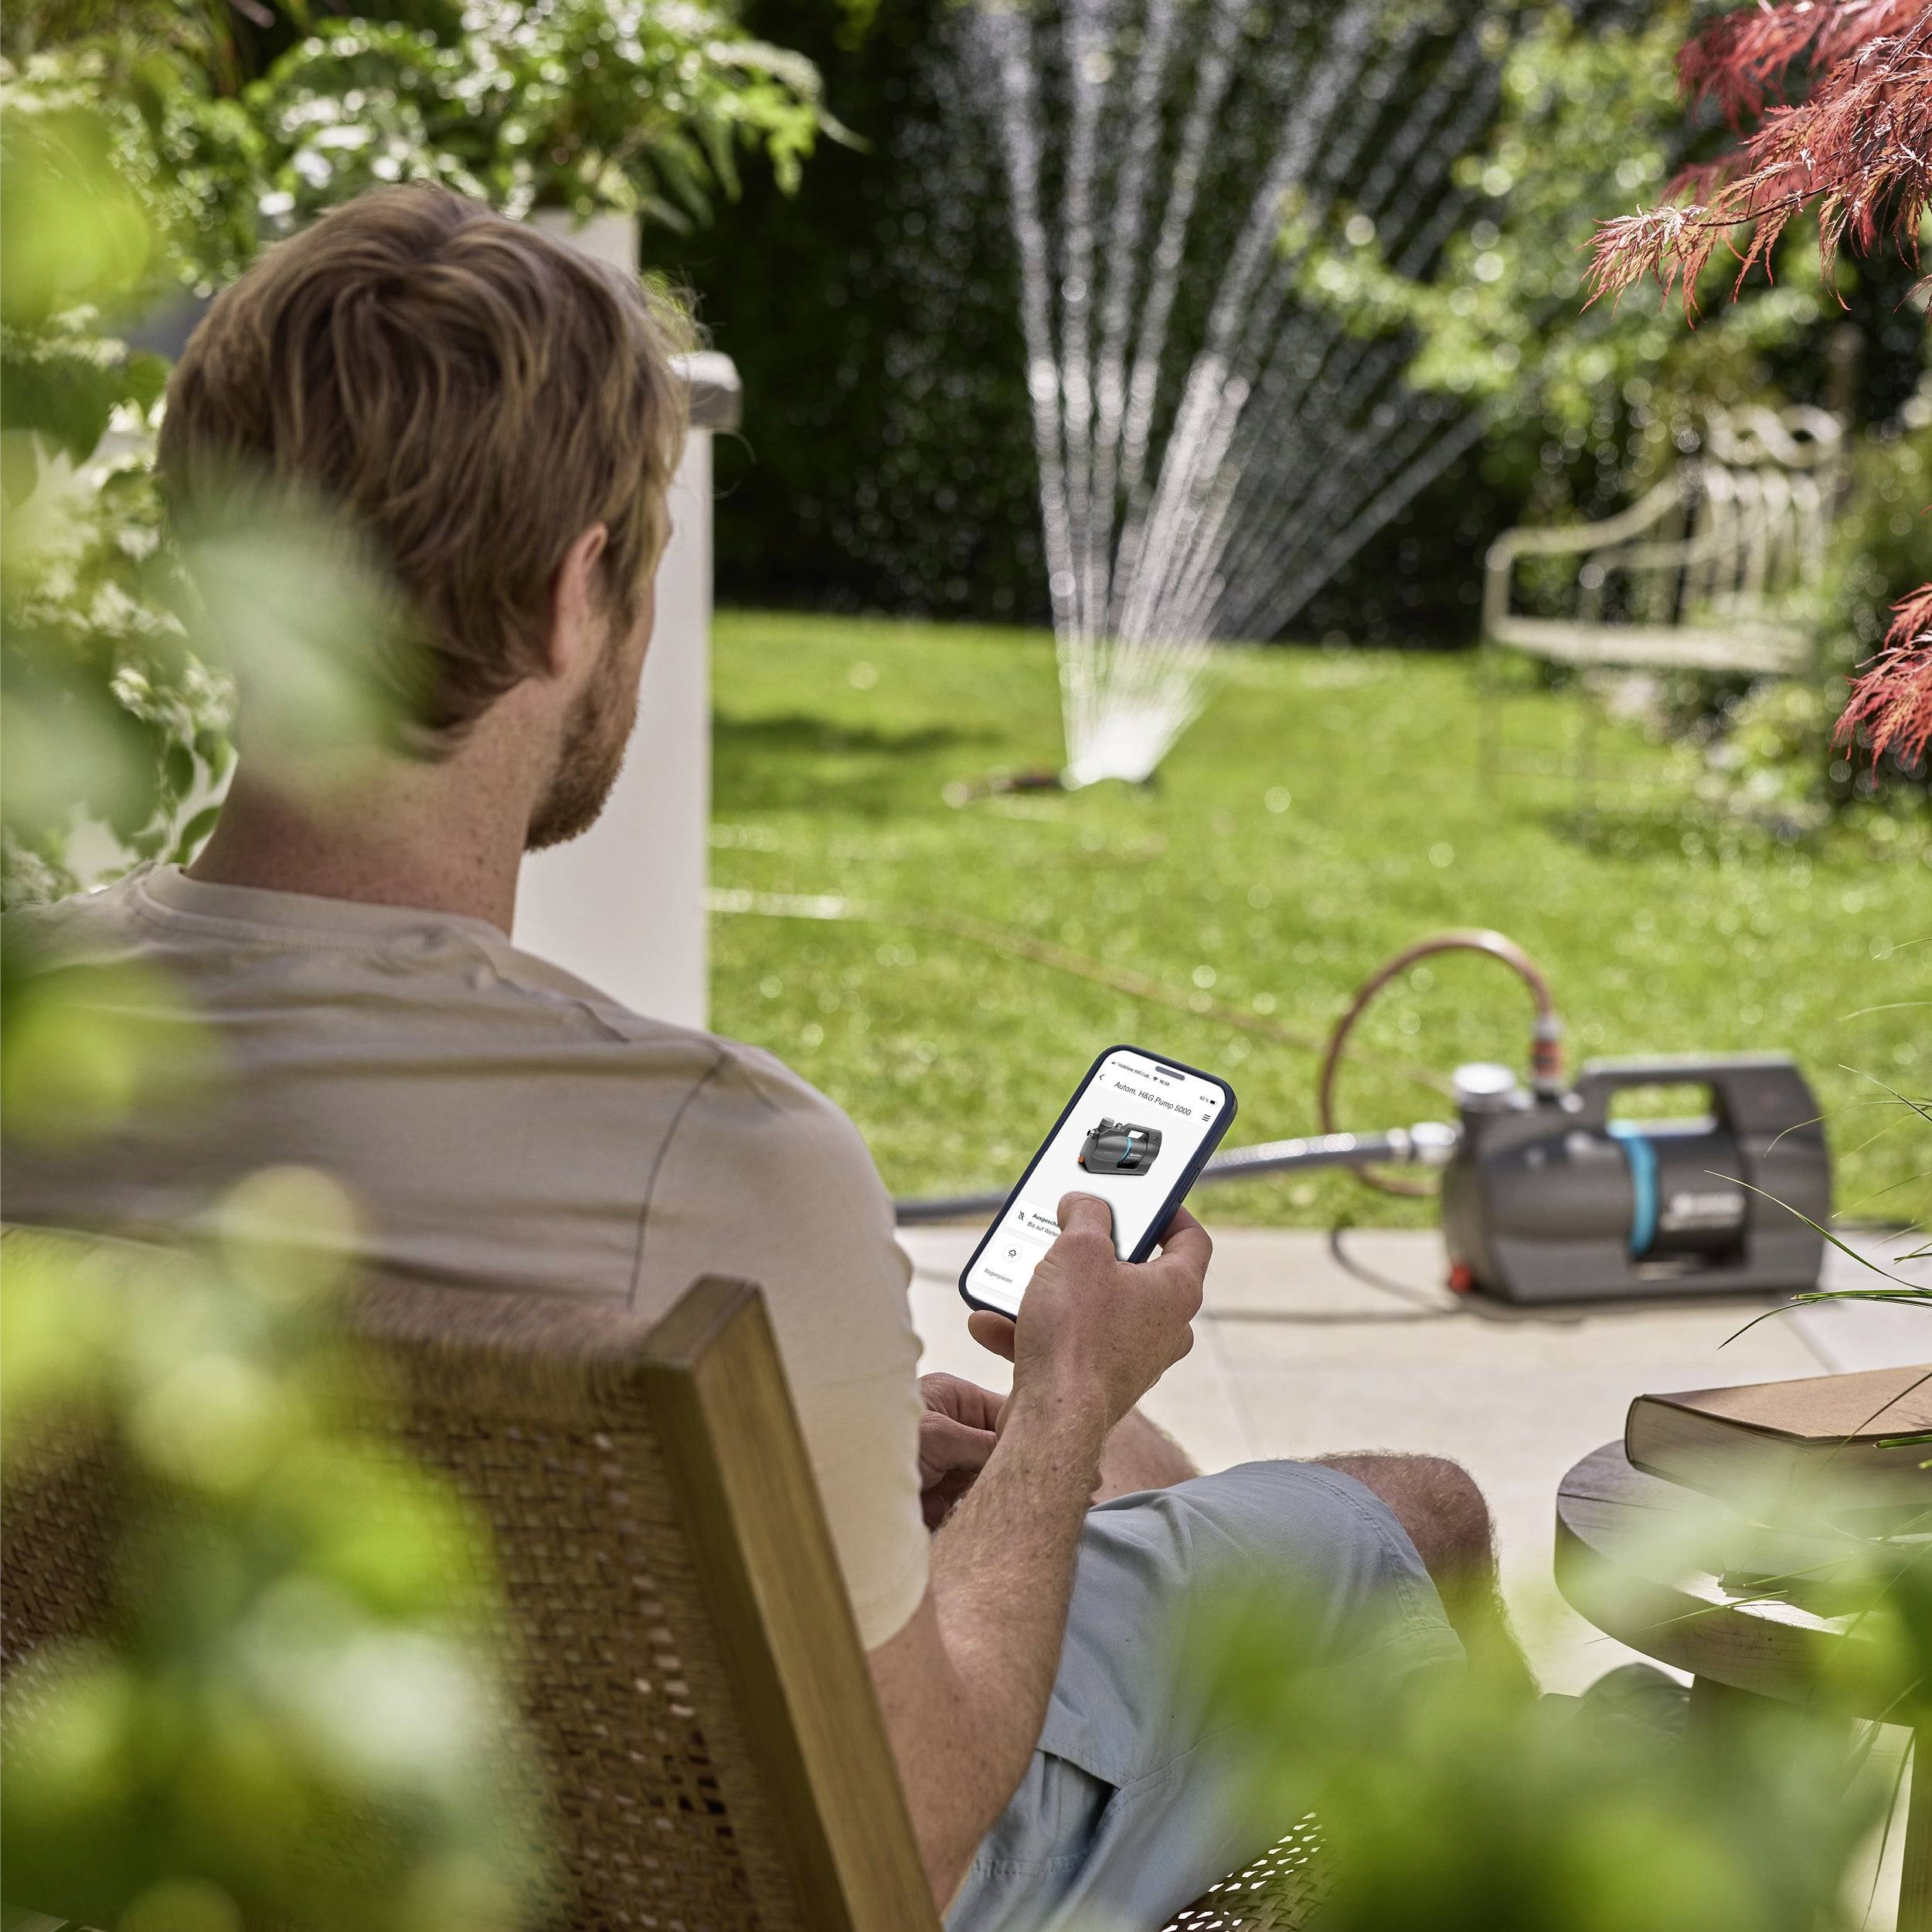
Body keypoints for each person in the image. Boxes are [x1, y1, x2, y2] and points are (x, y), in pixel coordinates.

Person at [2, 185, 1520, 1926]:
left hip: (223, 1860)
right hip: (689, 1873)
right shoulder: (719, 1164)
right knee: (1395, 1519)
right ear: (582, 594)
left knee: (1140, 1487)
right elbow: (905, 1837)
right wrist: (1062, 1403)